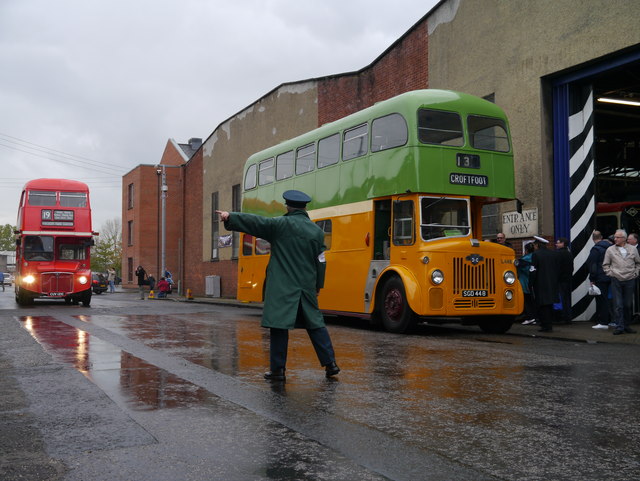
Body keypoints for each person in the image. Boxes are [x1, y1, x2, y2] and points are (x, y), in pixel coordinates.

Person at [216, 189, 340, 381]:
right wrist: (318, 285)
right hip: (306, 286)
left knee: (278, 326)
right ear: (304, 207)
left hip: (282, 286)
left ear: (288, 207)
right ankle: (331, 364)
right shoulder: (316, 232)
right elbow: (321, 261)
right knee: (315, 325)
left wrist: (230, 217)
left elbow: (256, 222)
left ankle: (278, 370)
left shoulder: (280, 225)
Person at [602, 229, 640, 335]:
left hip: (630, 279)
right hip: (616, 279)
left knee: (628, 304)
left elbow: (638, 263)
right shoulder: (610, 249)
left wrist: (635, 274)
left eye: (617, 237)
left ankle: (627, 325)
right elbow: (605, 264)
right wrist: (611, 273)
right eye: (615, 237)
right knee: (618, 305)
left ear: (624, 239)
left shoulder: (633, 249)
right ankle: (619, 326)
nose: (615, 239)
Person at [529, 236, 560, 332]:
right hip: (551, 283)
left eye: (534, 245)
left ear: (537, 244)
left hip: (540, 283)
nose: (534, 247)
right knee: (549, 304)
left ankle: (545, 325)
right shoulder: (553, 254)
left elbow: (533, 270)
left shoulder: (536, 254)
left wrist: (530, 283)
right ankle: (549, 324)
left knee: (542, 305)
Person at [587, 231, 613, 330]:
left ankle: (603, 322)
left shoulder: (596, 249)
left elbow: (593, 265)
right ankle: (610, 320)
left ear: (593, 239)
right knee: (608, 299)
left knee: (601, 300)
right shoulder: (610, 247)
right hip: (610, 276)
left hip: (600, 278)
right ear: (601, 237)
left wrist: (592, 279)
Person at [517, 242, 537, 325]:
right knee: (532, 301)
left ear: (526, 250)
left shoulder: (524, 259)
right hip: (533, 282)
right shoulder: (535, 257)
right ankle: (533, 317)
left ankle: (530, 317)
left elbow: (520, 270)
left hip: (524, 282)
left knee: (526, 301)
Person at [555, 237, 573, 324]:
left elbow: (557, 268)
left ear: (562, 244)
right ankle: (568, 317)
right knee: (567, 298)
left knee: (561, 299)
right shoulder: (569, 254)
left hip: (560, 280)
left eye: (558, 243)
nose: (556, 244)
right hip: (568, 279)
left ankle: (562, 316)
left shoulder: (558, 254)